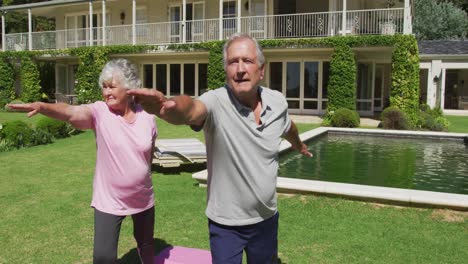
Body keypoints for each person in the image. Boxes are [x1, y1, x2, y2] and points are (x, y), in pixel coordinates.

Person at [128, 33, 312, 264]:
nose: (240, 69)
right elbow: (191, 109)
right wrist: (169, 107)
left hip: (266, 219)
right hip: (226, 225)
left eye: (248, 61)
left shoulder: (277, 102)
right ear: (226, 70)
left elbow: (288, 126)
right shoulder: (215, 101)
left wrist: (298, 144)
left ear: (262, 70)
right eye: (233, 62)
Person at [8, 59, 156, 264]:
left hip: (142, 197)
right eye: (104, 87)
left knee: (147, 247)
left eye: (112, 87)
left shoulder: (147, 116)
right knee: (103, 257)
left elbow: (149, 152)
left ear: (129, 88)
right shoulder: (100, 112)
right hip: (109, 200)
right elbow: (71, 112)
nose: (106, 92)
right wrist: (43, 107)